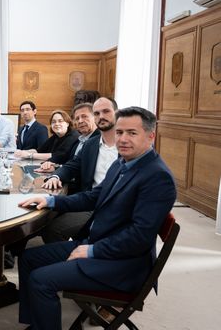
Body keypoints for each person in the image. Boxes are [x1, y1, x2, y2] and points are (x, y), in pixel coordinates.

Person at [17, 106, 176, 330]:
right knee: (28, 259)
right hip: (99, 242)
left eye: (132, 133)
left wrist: (92, 251)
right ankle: (38, 324)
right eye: (120, 132)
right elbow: (94, 196)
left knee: (40, 280)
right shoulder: (123, 162)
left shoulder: (158, 177)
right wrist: (51, 201)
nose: (122, 139)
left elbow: (138, 237)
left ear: (151, 136)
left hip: (121, 264)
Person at [39, 97, 119, 243]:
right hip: (89, 199)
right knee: (43, 213)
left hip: (107, 205)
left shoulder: (125, 146)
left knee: (52, 228)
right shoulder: (91, 143)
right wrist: (55, 177)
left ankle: (72, 259)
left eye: (106, 111)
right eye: (97, 113)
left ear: (117, 113)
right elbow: (73, 165)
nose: (101, 116)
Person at [15, 109, 79, 164]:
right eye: (53, 122)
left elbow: (57, 156)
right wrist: (22, 152)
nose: (57, 124)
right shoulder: (55, 137)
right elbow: (39, 150)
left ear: (67, 123)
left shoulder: (73, 136)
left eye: (60, 121)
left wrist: (29, 155)